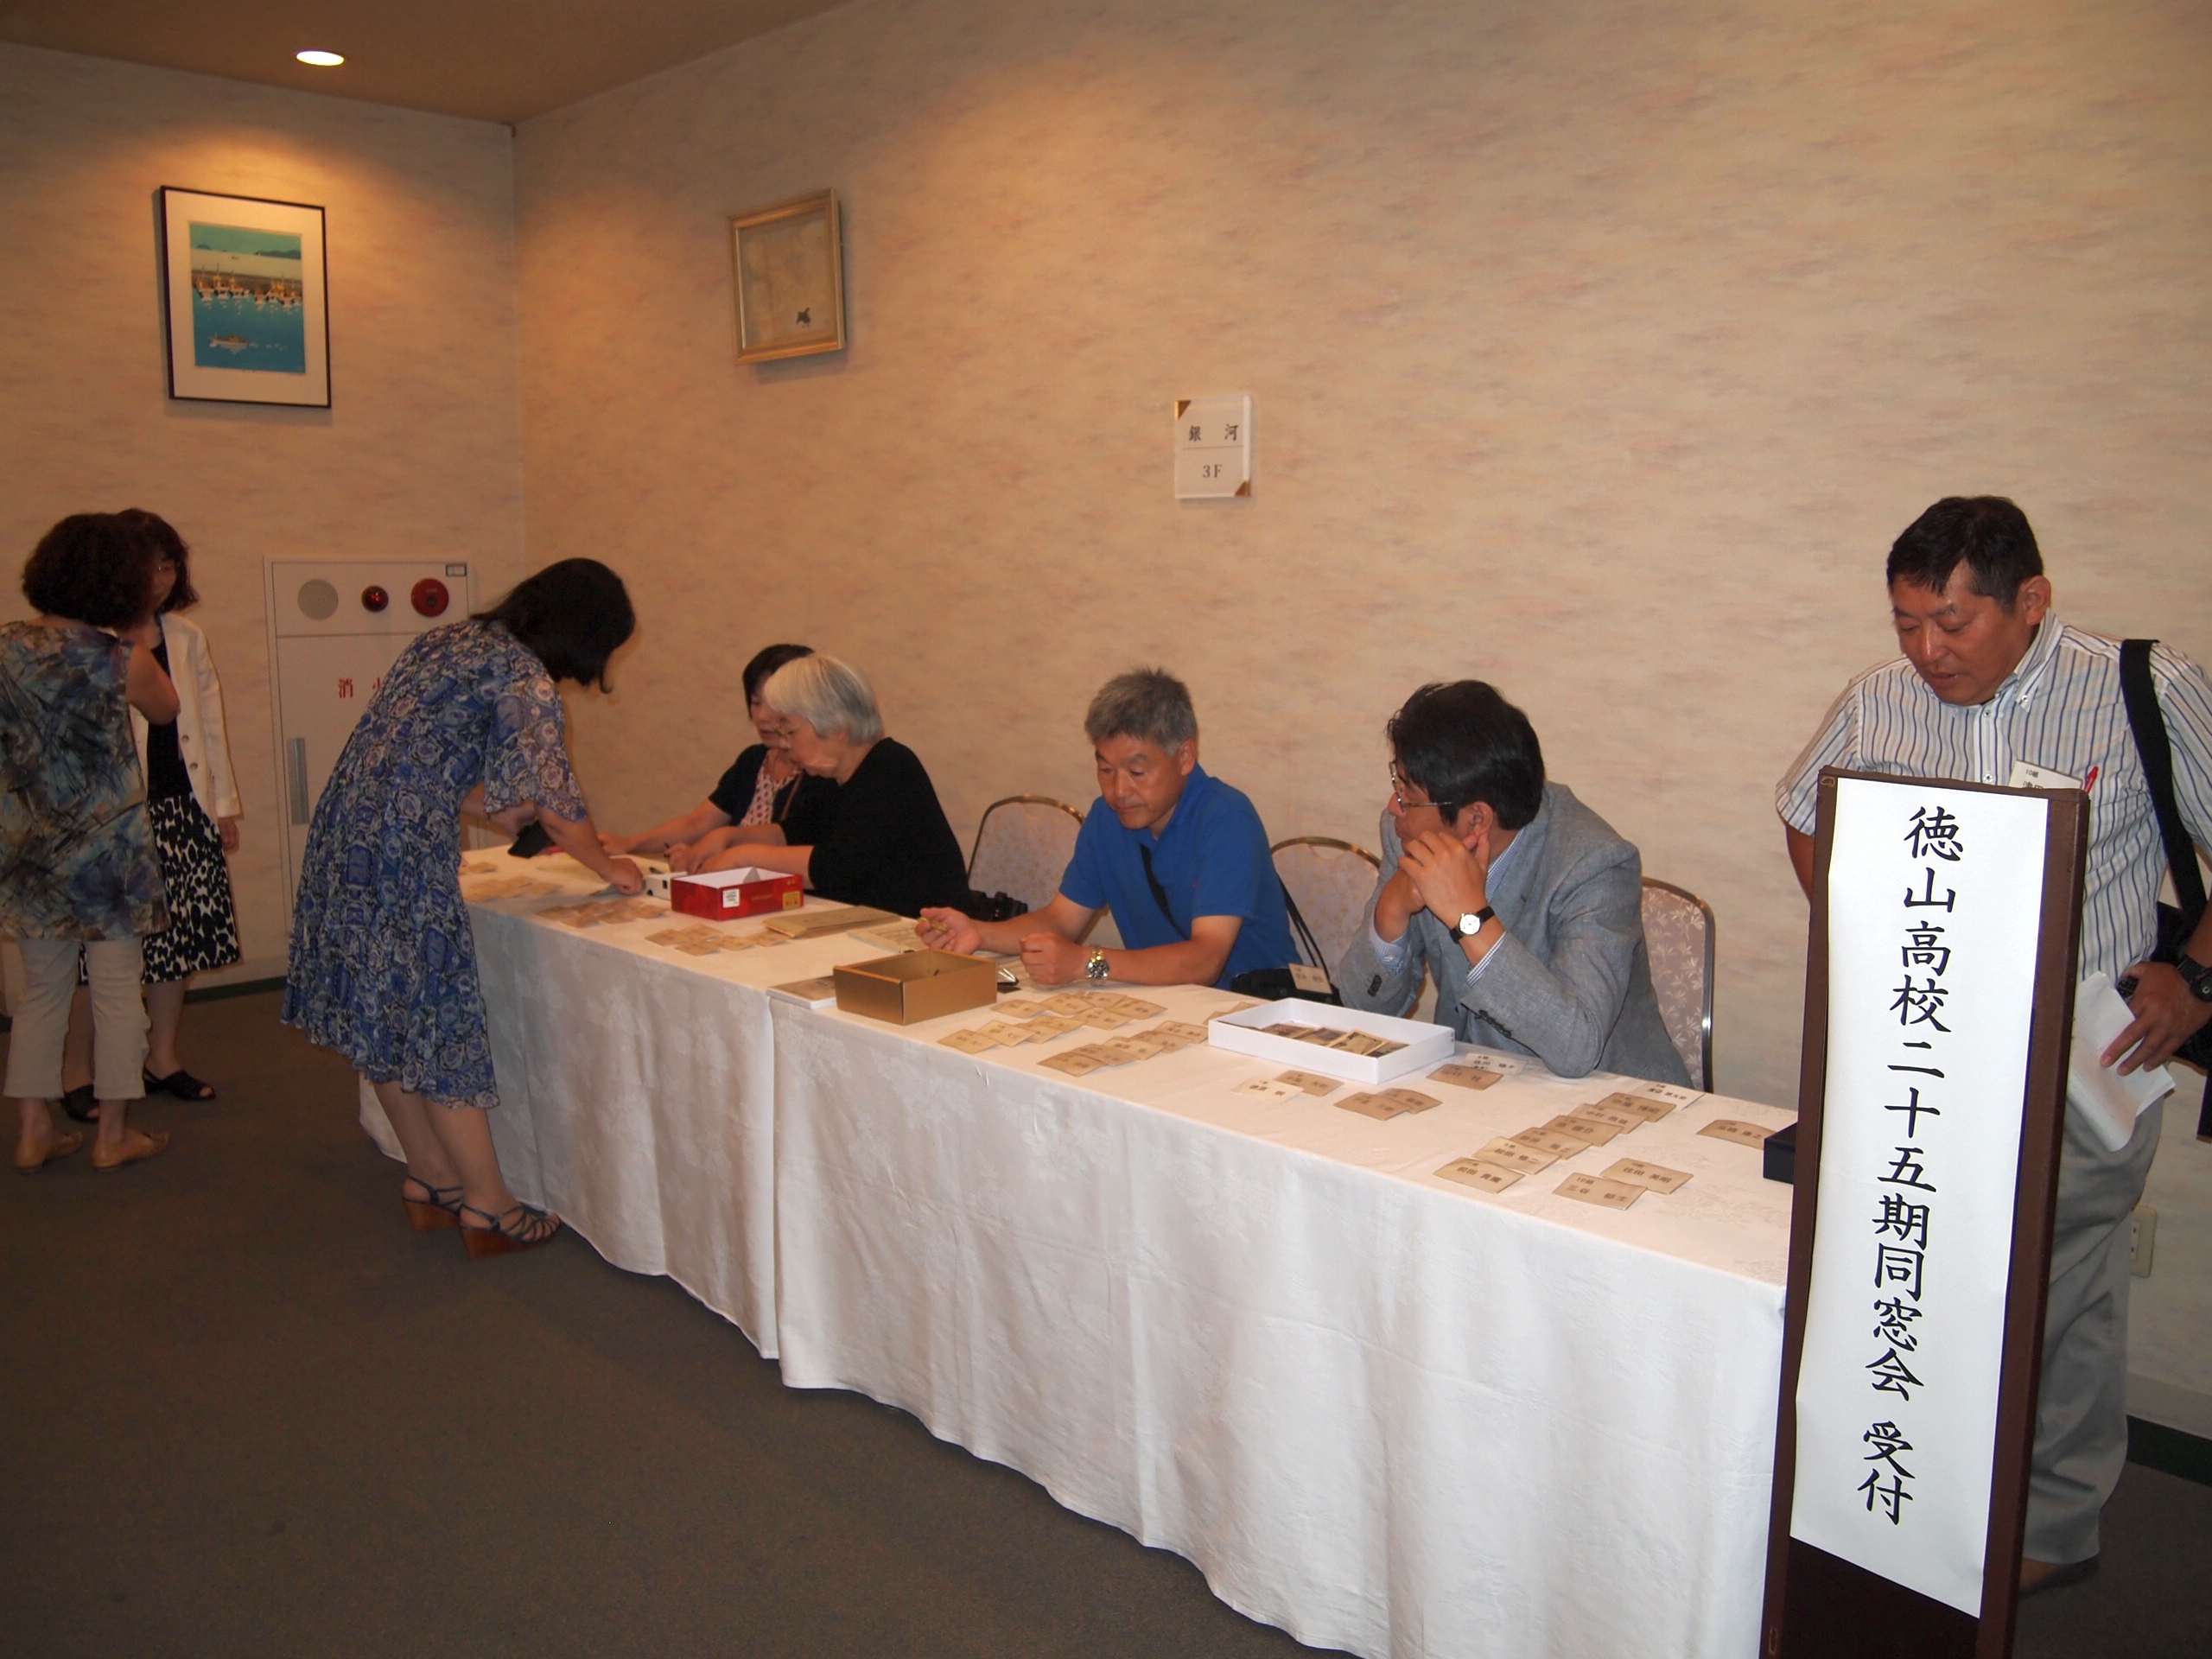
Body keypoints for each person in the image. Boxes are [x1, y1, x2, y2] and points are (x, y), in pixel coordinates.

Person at [1777, 494, 2212, 1596]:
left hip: (2082, 1055)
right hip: (1923, 1053)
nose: (1927, 651)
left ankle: (2053, 1528)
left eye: (1952, 623)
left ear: (2030, 601)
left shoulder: (2139, 689)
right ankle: (1923, 1495)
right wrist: (1860, 927)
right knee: (1922, 1273)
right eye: (1905, 623)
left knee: (2060, 1293)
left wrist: (2196, 980)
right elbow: (1803, 813)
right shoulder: (1878, 700)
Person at [283, 558, 644, 1257]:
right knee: (435, 1017)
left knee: (385, 1016)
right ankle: (489, 1206)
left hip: (348, 832)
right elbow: (560, 809)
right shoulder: (525, 679)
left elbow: (407, 757)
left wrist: (489, 808)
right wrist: (610, 866)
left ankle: (432, 1179)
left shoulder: (448, 641)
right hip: (402, 854)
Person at [1335, 680, 1687, 1083]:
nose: (1393, 806)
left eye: (1407, 795)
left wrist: (1470, 919)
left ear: (1477, 819)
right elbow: (1364, 1009)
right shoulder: (1407, 833)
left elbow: (1576, 1047)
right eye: (1396, 784)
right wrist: (1390, 911)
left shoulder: (1593, 864)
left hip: (1610, 1096)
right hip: (1477, 1084)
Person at [918, 667, 1294, 988]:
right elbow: (1060, 920)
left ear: (1184, 757)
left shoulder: (1226, 819)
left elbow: (1205, 961)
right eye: (1105, 769)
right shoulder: (1106, 818)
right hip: (1167, 1005)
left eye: (1137, 771)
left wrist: (1087, 963)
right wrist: (980, 932)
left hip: (1251, 1010)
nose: (1119, 791)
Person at [3, 513, 178, 1173]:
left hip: (29, 848)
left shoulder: (5, 647)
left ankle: (33, 1129)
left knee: (40, 992)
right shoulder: (118, 658)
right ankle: (113, 1133)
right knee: (116, 991)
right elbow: (166, 709)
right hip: (109, 853)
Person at [56, 510, 242, 1112]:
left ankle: (162, 1057)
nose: (159, 579)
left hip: (181, 805)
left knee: (178, 941)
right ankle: (77, 1069)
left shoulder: (184, 635)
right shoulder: (85, 636)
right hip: (111, 814)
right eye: (147, 566)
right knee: (99, 951)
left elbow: (208, 723)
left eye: (168, 565)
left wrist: (221, 805)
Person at [704, 653, 969, 917]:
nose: (783, 743)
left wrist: (745, 856)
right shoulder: (830, 774)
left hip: (922, 926)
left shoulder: (891, 768)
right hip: (863, 921)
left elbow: (837, 866)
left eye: (789, 731)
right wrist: (731, 838)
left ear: (837, 726)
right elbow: (796, 833)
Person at [601, 642, 838, 872]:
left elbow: (804, 849)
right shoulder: (754, 760)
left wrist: (719, 854)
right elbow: (698, 823)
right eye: (756, 702)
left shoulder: (822, 771)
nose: (762, 716)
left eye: (774, 704)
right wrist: (630, 844)